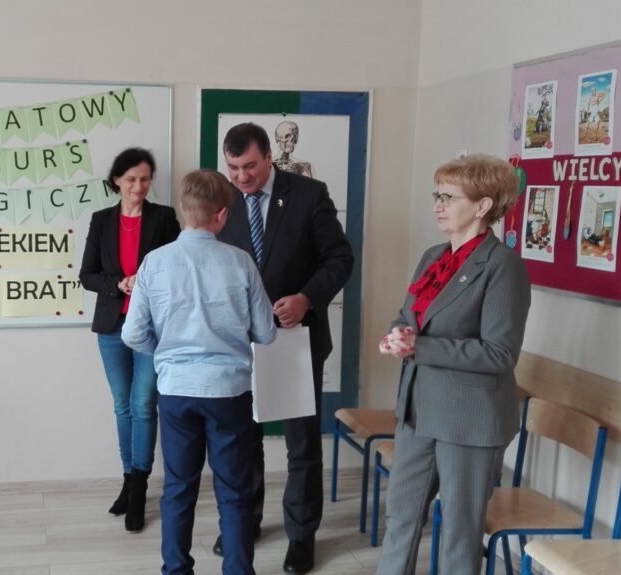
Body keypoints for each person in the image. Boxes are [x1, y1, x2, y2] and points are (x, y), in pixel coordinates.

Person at [375, 154, 531, 575]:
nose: (438, 206)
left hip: (469, 418)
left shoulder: (503, 266)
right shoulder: (434, 256)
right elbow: (409, 316)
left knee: (460, 534)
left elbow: (500, 353)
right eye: (437, 195)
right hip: (417, 410)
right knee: (401, 518)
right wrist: (397, 335)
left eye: (449, 197)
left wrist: (419, 348)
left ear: (483, 206)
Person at [122, 169, 277, 575]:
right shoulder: (240, 262)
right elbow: (266, 333)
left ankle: (176, 570)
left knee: (178, 488)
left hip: (176, 391)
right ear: (222, 215)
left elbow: (132, 334)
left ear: (181, 208)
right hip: (229, 393)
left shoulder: (154, 263)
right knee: (235, 491)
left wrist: (167, 353)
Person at [216, 123, 354, 574]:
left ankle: (301, 536)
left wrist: (307, 298)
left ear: (269, 157)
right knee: (243, 439)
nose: (241, 177)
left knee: (301, 445)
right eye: (233, 168)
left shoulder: (309, 194)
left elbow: (340, 258)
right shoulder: (223, 199)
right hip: (239, 342)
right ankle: (247, 520)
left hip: (297, 338)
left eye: (250, 166)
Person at [78, 147, 180, 533]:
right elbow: (87, 275)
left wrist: (148, 282)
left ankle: (140, 486)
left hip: (151, 327)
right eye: (132, 179)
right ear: (117, 181)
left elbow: (177, 268)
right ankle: (127, 479)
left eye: (145, 179)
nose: (139, 186)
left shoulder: (164, 218)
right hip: (111, 327)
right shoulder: (101, 220)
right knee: (122, 406)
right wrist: (119, 284)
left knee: (143, 404)